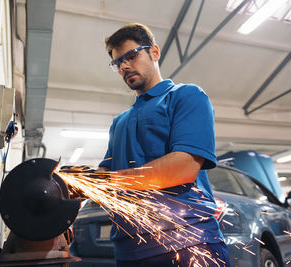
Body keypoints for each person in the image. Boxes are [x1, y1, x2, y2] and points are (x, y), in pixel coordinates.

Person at [98, 23, 230, 266]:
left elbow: (184, 167)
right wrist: (73, 181)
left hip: (188, 242)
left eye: (131, 56)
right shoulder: (119, 122)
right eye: (117, 63)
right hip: (129, 250)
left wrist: (112, 181)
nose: (124, 66)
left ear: (154, 52)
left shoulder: (186, 96)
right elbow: (104, 175)